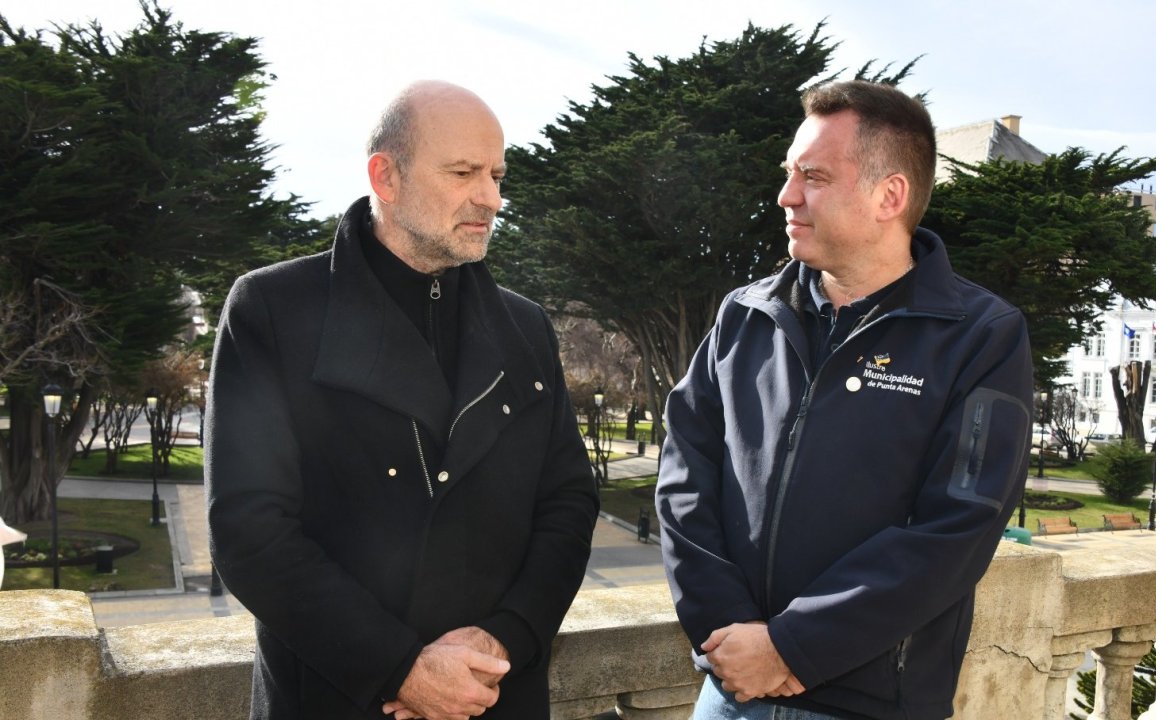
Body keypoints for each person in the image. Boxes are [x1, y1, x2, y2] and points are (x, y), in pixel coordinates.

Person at [206, 80, 599, 720]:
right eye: (464, 173)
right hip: (336, 700)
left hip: (495, 692)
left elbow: (569, 502)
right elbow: (248, 531)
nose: (492, 198)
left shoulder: (526, 327)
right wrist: (400, 669)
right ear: (385, 177)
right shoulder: (272, 309)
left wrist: (505, 637)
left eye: (497, 175)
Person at [656, 79, 1033, 720]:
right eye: (789, 173)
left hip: (872, 703)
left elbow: (957, 529)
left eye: (814, 177)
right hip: (731, 689)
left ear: (890, 196)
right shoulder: (745, 315)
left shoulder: (983, 336)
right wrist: (728, 631)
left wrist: (792, 647)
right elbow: (684, 477)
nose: (787, 195)